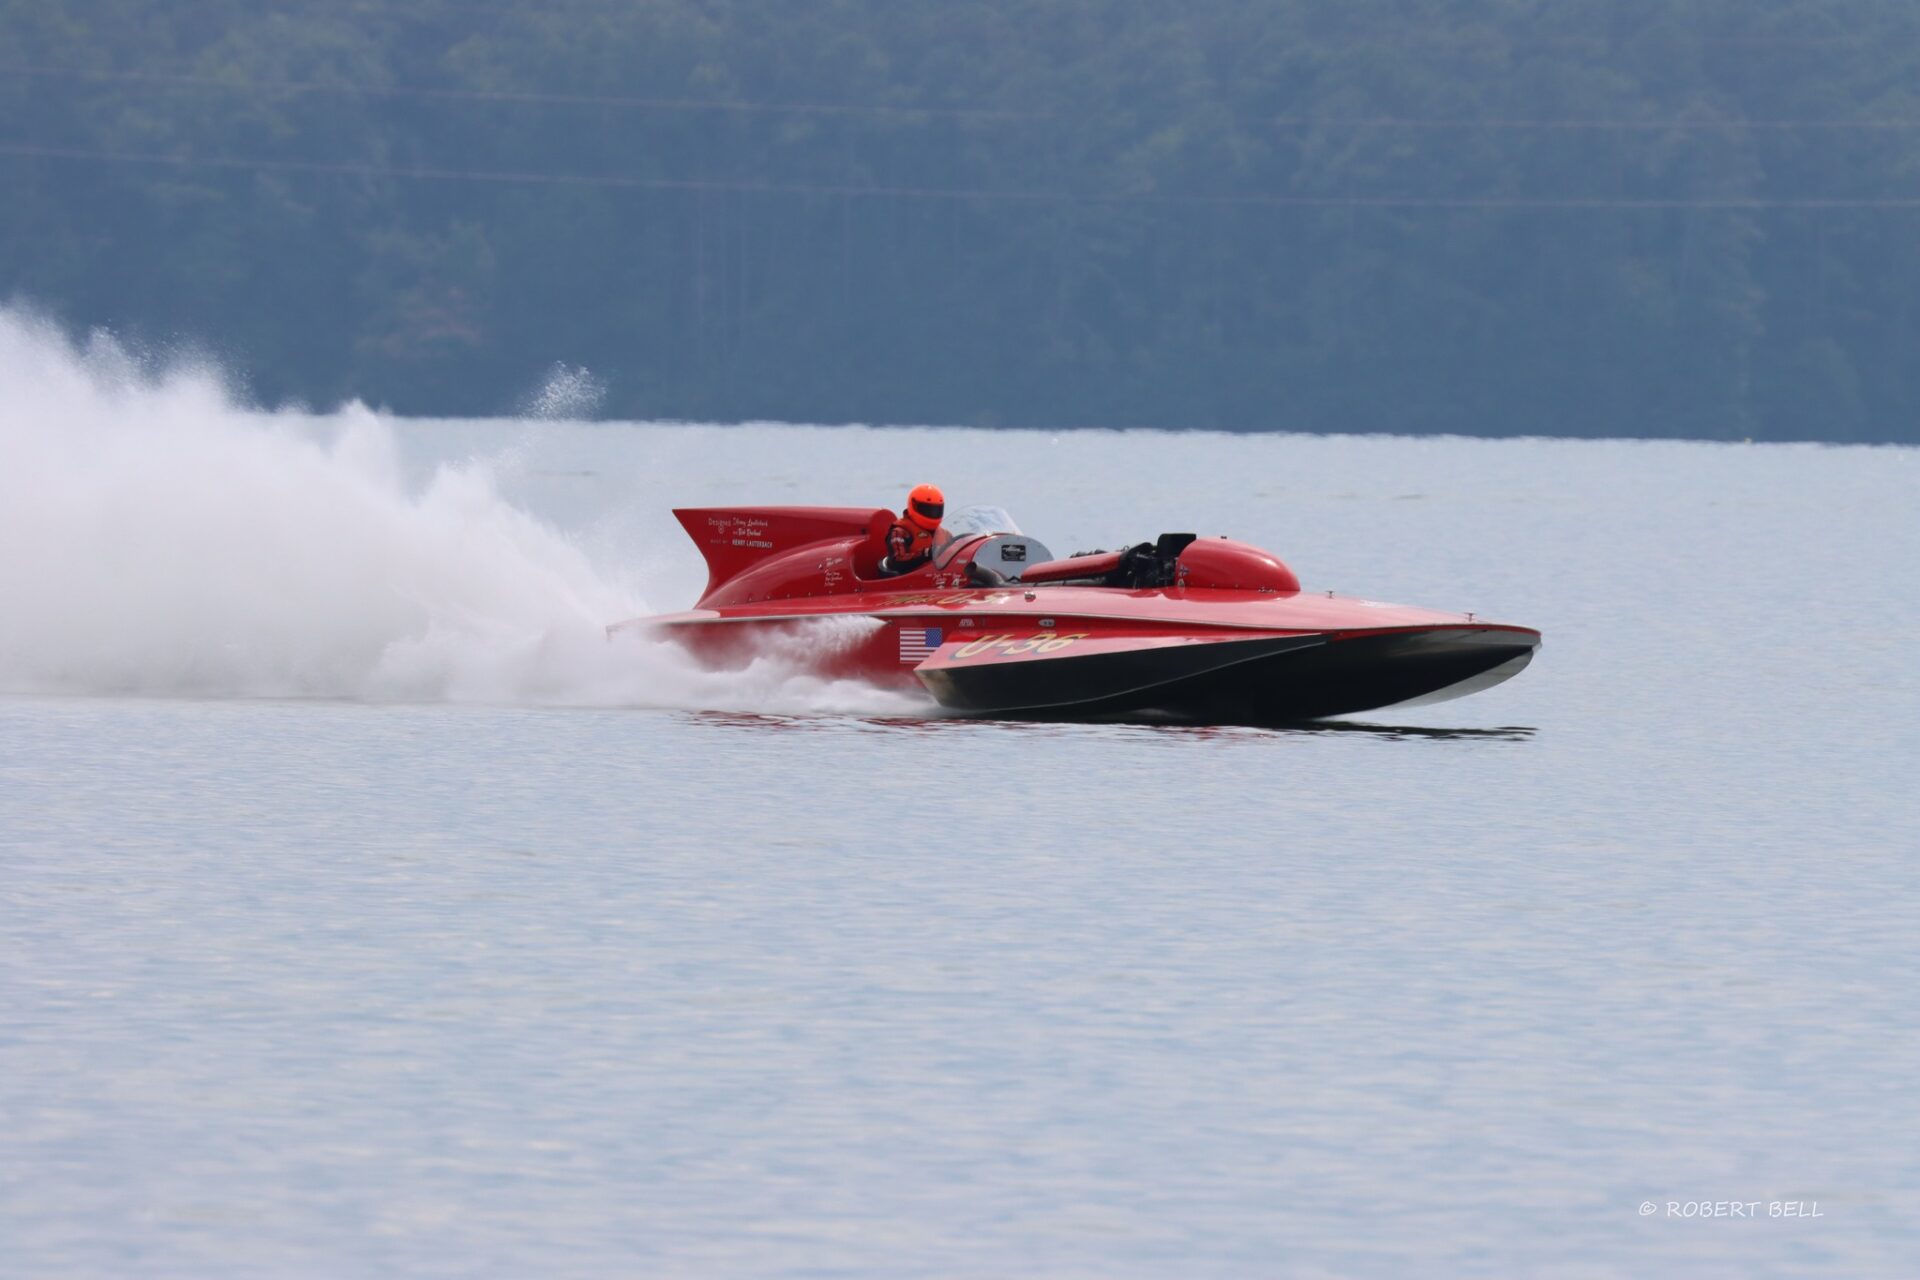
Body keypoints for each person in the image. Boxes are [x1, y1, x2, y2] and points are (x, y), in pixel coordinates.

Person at [877, 483, 944, 576]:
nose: (932, 513)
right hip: (910, 581)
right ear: (913, 505)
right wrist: (926, 553)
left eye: (936, 510)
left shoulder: (944, 533)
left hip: (940, 578)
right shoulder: (899, 532)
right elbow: (897, 561)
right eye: (927, 509)